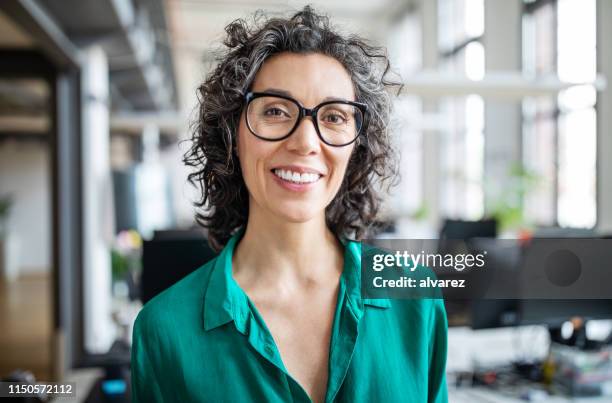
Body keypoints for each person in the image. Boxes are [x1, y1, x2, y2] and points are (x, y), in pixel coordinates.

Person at [131, 6, 448, 403]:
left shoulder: (415, 296)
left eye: (334, 117)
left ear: (357, 147)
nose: (305, 142)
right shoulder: (165, 330)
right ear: (232, 135)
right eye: (276, 111)